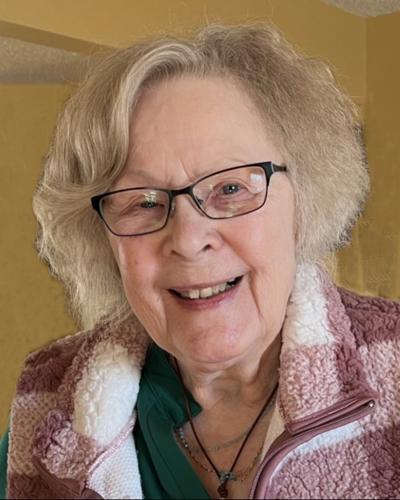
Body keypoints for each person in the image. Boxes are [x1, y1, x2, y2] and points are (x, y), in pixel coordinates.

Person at [1, 22, 399, 500]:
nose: (189, 240)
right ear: (102, 238)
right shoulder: (48, 402)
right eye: (142, 201)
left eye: (230, 187)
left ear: (303, 203)